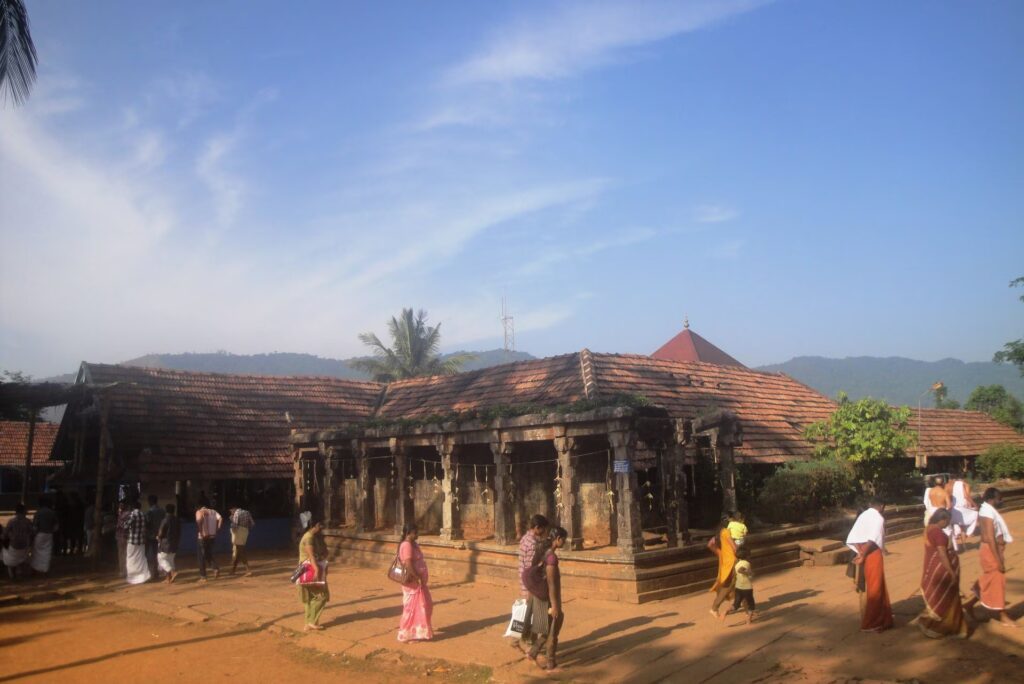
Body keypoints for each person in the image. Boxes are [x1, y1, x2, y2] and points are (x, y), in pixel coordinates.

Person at [963, 488, 1017, 628]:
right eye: (999, 498)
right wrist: (998, 560)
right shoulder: (987, 511)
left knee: (989, 580)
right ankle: (1002, 615)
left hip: (994, 550)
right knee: (997, 580)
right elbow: (989, 538)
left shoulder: (988, 510)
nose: (1001, 501)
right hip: (991, 552)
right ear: (992, 498)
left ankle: (969, 604)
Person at [915, 509, 967, 638]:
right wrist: (951, 572)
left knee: (940, 596)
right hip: (942, 570)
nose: (947, 524)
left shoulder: (928, 529)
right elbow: (942, 554)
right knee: (948, 598)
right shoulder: (937, 533)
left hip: (934, 568)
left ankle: (938, 625)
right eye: (947, 522)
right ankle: (944, 627)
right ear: (942, 519)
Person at [846, 497, 893, 632]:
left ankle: (882, 617)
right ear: (882, 506)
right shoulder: (878, 518)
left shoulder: (863, 515)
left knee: (872, 585)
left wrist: (859, 552)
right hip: (871, 553)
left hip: (861, 550)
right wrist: (863, 555)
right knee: (875, 587)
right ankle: (871, 622)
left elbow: (852, 537)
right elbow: (872, 539)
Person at [526, 527, 566, 671]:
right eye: (564, 540)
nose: (565, 543)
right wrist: (555, 605)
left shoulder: (542, 551)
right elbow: (551, 583)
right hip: (549, 598)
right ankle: (550, 662)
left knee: (548, 628)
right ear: (558, 539)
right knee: (553, 629)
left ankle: (533, 652)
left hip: (540, 595)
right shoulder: (551, 558)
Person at [516, 514, 550, 650]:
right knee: (531, 614)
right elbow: (531, 568)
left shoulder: (525, 538)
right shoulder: (532, 544)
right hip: (530, 583)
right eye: (542, 529)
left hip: (525, 580)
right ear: (536, 528)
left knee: (529, 612)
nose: (544, 532)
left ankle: (527, 640)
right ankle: (522, 640)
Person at [397, 522, 433, 642]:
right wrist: (417, 577)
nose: (417, 534)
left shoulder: (413, 544)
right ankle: (406, 634)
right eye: (415, 532)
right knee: (411, 609)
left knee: (424, 606)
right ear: (408, 533)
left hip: (418, 583)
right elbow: (408, 564)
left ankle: (417, 632)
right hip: (412, 582)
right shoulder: (406, 545)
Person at [298, 517, 329, 631]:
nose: (321, 528)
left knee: (308, 597)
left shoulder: (312, 537)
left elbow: (322, 553)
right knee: (322, 596)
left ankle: (308, 623)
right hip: (310, 570)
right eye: (320, 526)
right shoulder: (309, 538)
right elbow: (311, 556)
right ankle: (312, 621)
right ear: (315, 525)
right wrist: (317, 570)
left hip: (303, 570)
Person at [708, 514, 737, 618]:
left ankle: (746, 608)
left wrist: (719, 553)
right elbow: (734, 548)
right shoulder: (726, 532)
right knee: (729, 585)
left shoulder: (719, 533)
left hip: (725, 561)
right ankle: (714, 607)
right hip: (732, 561)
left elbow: (710, 544)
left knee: (736, 583)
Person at [721, 546, 756, 624]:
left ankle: (726, 612)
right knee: (751, 604)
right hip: (747, 588)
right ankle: (748, 620)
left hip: (738, 587)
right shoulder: (746, 563)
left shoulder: (737, 564)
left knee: (736, 605)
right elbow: (741, 570)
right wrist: (750, 573)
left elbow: (737, 572)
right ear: (747, 556)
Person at [124, 498, 152, 585]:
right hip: (141, 540)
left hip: (132, 540)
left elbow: (126, 525)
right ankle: (143, 577)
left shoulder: (133, 514)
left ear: (133, 507)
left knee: (131, 558)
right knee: (141, 559)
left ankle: (133, 577)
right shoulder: (143, 515)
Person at [195, 496, 222, 582]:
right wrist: (217, 528)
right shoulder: (213, 512)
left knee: (201, 556)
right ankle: (215, 568)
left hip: (203, 537)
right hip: (212, 536)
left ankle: (203, 576)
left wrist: (201, 533)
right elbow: (220, 518)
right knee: (208, 553)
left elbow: (199, 522)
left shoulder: (199, 512)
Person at [3, 504, 33, 580]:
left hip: (14, 546)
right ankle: (22, 573)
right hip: (25, 546)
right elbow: (32, 532)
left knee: (9, 560)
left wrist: (11, 536)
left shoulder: (12, 521)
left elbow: (5, 533)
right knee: (23, 558)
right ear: (23, 511)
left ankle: (12, 576)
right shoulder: (28, 521)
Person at [30, 496, 58, 575]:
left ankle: (35, 569)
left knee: (36, 552)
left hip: (40, 534)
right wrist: (52, 531)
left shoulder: (38, 513)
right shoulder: (52, 512)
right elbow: (56, 526)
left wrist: (33, 535)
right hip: (49, 535)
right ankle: (45, 569)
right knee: (47, 552)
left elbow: (35, 526)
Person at [156, 503, 180, 583]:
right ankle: (168, 578)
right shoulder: (177, 520)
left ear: (166, 511)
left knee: (161, 559)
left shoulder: (165, 519)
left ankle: (172, 572)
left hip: (165, 543)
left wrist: (158, 537)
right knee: (170, 560)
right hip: (175, 543)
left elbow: (161, 532)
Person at [228, 504, 255, 576]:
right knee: (238, 550)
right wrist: (245, 529)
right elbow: (252, 523)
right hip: (245, 532)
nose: (231, 512)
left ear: (233, 508)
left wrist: (232, 529)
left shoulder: (236, 513)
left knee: (240, 550)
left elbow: (235, 525)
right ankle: (233, 570)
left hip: (238, 532)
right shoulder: (247, 512)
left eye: (231, 511)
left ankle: (248, 570)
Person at [949, 478, 978, 547]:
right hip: (962, 508)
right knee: (975, 514)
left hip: (953, 508)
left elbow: (949, 496)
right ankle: (968, 535)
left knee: (952, 528)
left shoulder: (950, 485)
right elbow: (966, 496)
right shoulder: (965, 485)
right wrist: (974, 505)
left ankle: (955, 544)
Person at [144, 494, 165, 577]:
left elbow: (147, 523)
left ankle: (154, 572)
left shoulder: (150, 512)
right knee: (159, 553)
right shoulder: (162, 511)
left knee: (151, 554)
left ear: (150, 501)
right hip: (161, 535)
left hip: (151, 535)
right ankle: (160, 571)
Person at [114, 502, 130, 578]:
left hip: (122, 537)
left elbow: (121, 526)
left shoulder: (123, 515)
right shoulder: (128, 514)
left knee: (122, 554)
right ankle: (126, 570)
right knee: (126, 554)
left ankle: (123, 571)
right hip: (126, 537)